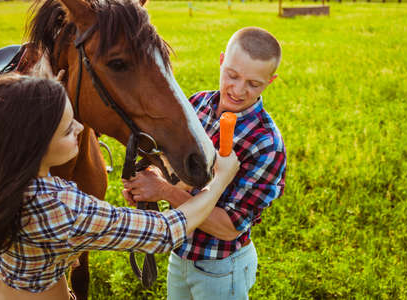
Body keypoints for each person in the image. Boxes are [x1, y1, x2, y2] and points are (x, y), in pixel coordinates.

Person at [0, 74, 239, 300]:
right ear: (34, 146)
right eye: (67, 129)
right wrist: (220, 181)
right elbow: (165, 231)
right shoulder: (64, 208)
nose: (79, 127)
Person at [122, 26, 286, 299]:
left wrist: (163, 191)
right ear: (222, 61)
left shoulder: (266, 143)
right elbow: (170, 165)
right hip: (180, 254)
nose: (237, 90)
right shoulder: (196, 105)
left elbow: (227, 228)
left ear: (270, 80)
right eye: (232, 75)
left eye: (253, 83)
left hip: (221, 268)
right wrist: (147, 181)